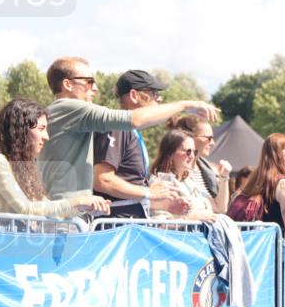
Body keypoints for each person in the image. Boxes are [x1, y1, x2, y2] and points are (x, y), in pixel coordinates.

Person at [38, 56, 218, 199]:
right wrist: (186, 104)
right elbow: (135, 120)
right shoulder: (70, 107)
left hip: (66, 212)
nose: (96, 89)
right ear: (67, 84)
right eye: (89, 82)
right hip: (65, 217)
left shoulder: (65, 112)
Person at [0, 99, 111, 218]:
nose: (46, 137)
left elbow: (46, 208)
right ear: (20, 130)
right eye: (41, 129)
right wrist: (78, 201)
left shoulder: (25, 168)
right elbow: (27, 209)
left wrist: (83, 207)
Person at [92, 69, 185, 218]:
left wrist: (166, 206)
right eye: (154, 93)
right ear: (134, 96)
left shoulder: (131, 132)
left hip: (129, 225)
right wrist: (149, 192)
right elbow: (102, 180)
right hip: (116, 230)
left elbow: (130, 189)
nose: (159, 99)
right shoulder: (117, 127)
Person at [228, 132, 285, 230]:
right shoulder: (284, 184)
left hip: (255, 242)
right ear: (281, 154)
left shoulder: (255, 180)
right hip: (277, 243)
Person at [147, 130, 217, 222]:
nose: (192, 156)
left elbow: (209, 208)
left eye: (194, 152)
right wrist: (190, 219)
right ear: (170, 154)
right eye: (188, 151)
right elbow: (160, 225)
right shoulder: (160, 184)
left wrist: (197, 204)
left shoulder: (189, 182)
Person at [170, 114, 232, 213]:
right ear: (189, 137)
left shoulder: (208, 170)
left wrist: (224, 177)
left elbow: (221, 208)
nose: (212, 143)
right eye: (208, 138)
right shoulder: (176, 171)